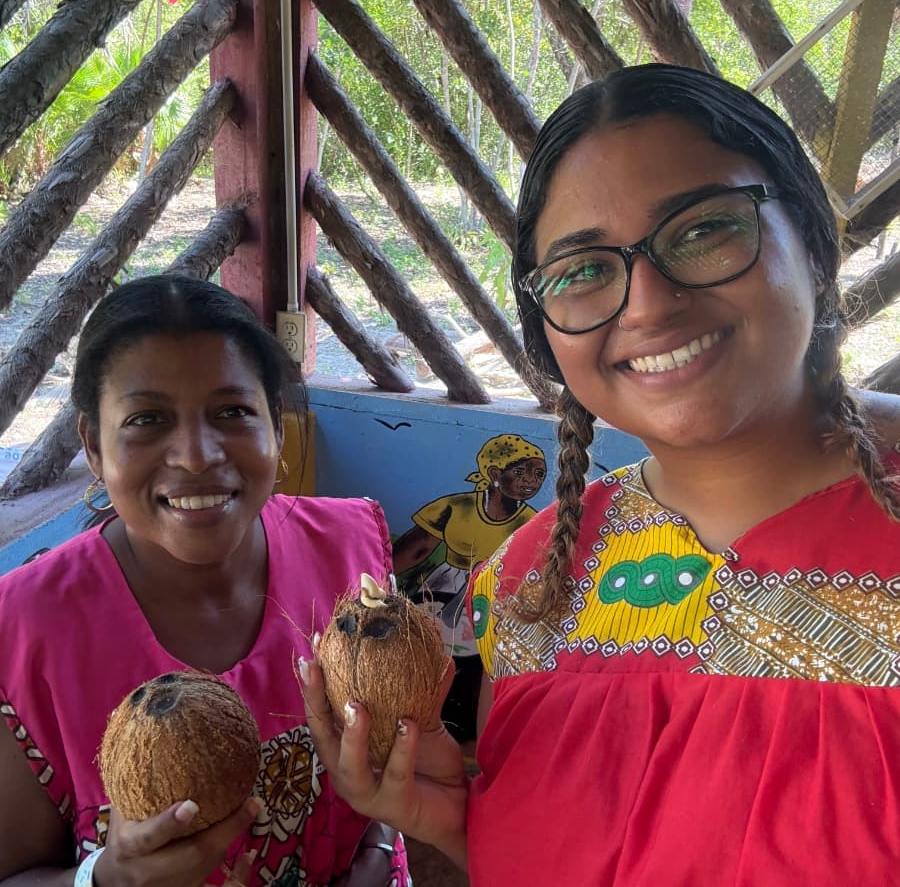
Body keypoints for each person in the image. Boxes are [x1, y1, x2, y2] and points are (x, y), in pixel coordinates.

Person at [300, 63, 900, 885]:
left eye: (702, 230)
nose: (648, 303)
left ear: (813, 242)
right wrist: (465, 826)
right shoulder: (528, 586)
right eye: (584, 271)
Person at [0, 275, 409, 886]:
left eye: (232, 411)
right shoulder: (26, 627)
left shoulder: (349, 551)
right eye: (147, 418)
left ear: (276, 425)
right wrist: (107, 880)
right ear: (92, 445)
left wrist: (378, 852)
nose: (196, 454)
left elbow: (387, 753)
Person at [392, 434, 546, 742]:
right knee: (431, 652)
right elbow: (417, 548)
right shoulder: (456, 507)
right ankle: (424, 719)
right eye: (520, 472)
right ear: (493, 474)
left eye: (538, 473)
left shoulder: (532, 521)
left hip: (494, 595)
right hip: (444, 588)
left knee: (478, 664)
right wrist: (377, 579)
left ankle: (466, 728)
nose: (530, 481)